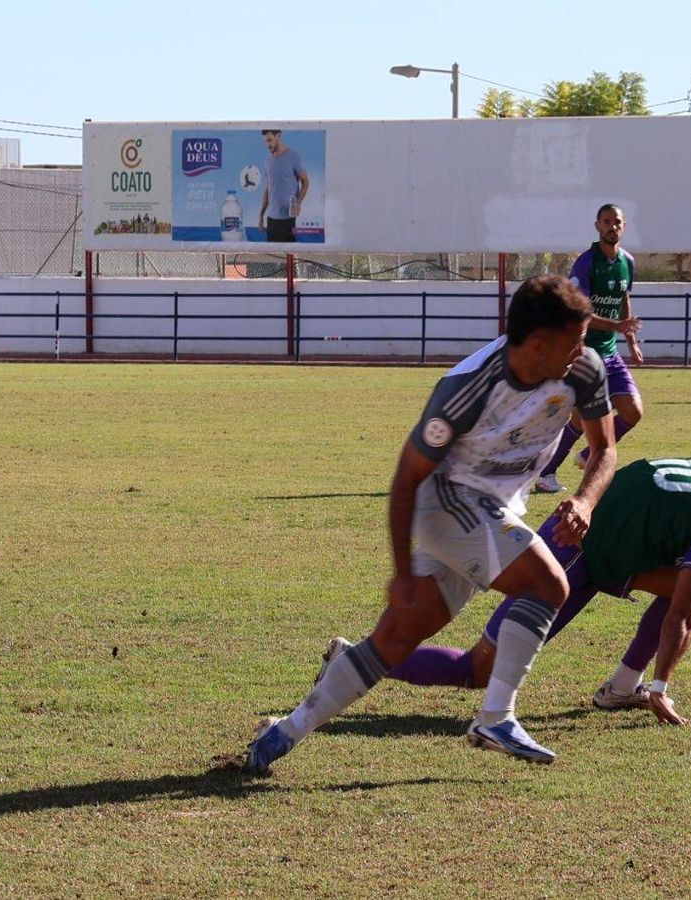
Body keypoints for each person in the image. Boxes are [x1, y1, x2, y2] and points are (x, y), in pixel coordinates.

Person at [245, 275, 618, 775]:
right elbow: (406, 479)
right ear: (537, 345)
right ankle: (496, 717)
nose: (583, 350)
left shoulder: (583, 369)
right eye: (575, 341)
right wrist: (402, 572)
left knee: (394, 641)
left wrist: (586, 501)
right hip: (446, 503)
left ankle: (282, 733)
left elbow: (605, 448)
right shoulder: (467, 389)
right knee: (548, 584)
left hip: (496, 508)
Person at [352, 437, 691, 727]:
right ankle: (357, 659)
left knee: (682, 585)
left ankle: (620, 687)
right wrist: (663, 687)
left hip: (592, 538)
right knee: (477, 669)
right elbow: (684, 613)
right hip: (576, 554)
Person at [536, 204, 642, 494]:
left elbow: (624, 299)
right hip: (582, 352)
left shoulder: (627, 261)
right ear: (597, 226)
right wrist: (617, 326)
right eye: (606, 222)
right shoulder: (585, 263)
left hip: (610, 353)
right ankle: (545, 473)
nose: (612, 227)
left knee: (633, 411)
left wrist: (630, 340)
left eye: (617, 222)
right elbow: (579, 313)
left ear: (624, 226)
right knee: (581, 421)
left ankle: (586, 455)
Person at [258, 129, 309, 243]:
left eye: (270, 140)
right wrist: (261, 214)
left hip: (288, 220)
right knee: (273, 253)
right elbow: (268, 189)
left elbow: (305, 181)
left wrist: (298, 203)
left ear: (278, 136)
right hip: (272, 220)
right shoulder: (268, 161)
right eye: (265, 141)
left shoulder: (293, 156)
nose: (267, 145)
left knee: (290, 252)